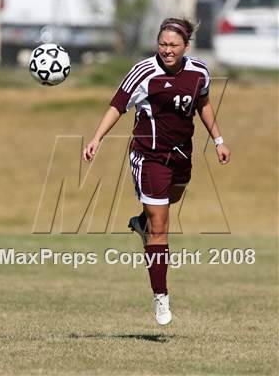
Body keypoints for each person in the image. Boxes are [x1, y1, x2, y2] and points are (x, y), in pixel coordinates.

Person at [83, 18, 231, 326]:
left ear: (185, 46)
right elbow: (117, 105)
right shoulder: (143, 72)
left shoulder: (199, 72)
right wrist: (97, 138)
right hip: (148, 156)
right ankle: (160, 296)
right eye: (162, 44)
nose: (166, 50)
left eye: (173, 45)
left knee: (171, 200)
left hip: (181, 155)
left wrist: (218, 140)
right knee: (161, 226)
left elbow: (203, 104)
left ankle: (140, 221)